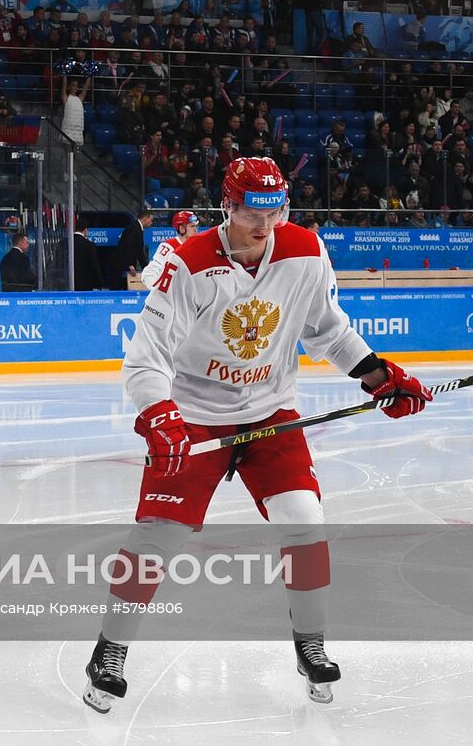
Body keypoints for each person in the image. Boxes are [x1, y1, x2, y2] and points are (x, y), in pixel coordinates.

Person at [80, 158, 432, 714]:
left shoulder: (307, 252)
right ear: (227, 207)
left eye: (275, 212)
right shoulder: (185, 263)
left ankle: (310, 643)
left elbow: (328, 329)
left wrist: (376, 374)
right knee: (157, 537)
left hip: (271, 414)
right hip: (195, 413)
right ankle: (110, 650)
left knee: (305, 522)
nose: (264, 226)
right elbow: (145, 361)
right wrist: (160, 415)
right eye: (251, 213)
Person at [140, 210, 202, 289]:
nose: (196, 229)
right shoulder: (169, 246)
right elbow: (150, 271)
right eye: (192, 226)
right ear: (182, 228)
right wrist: (157, 290)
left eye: (196, 226)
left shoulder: (198, 246)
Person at [72, 217, 104, 290]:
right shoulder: (89, 245)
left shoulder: (64, 243)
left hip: (67, 284)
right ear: (85, 230)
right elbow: (94, 265)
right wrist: (99, 283)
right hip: (85, 285)